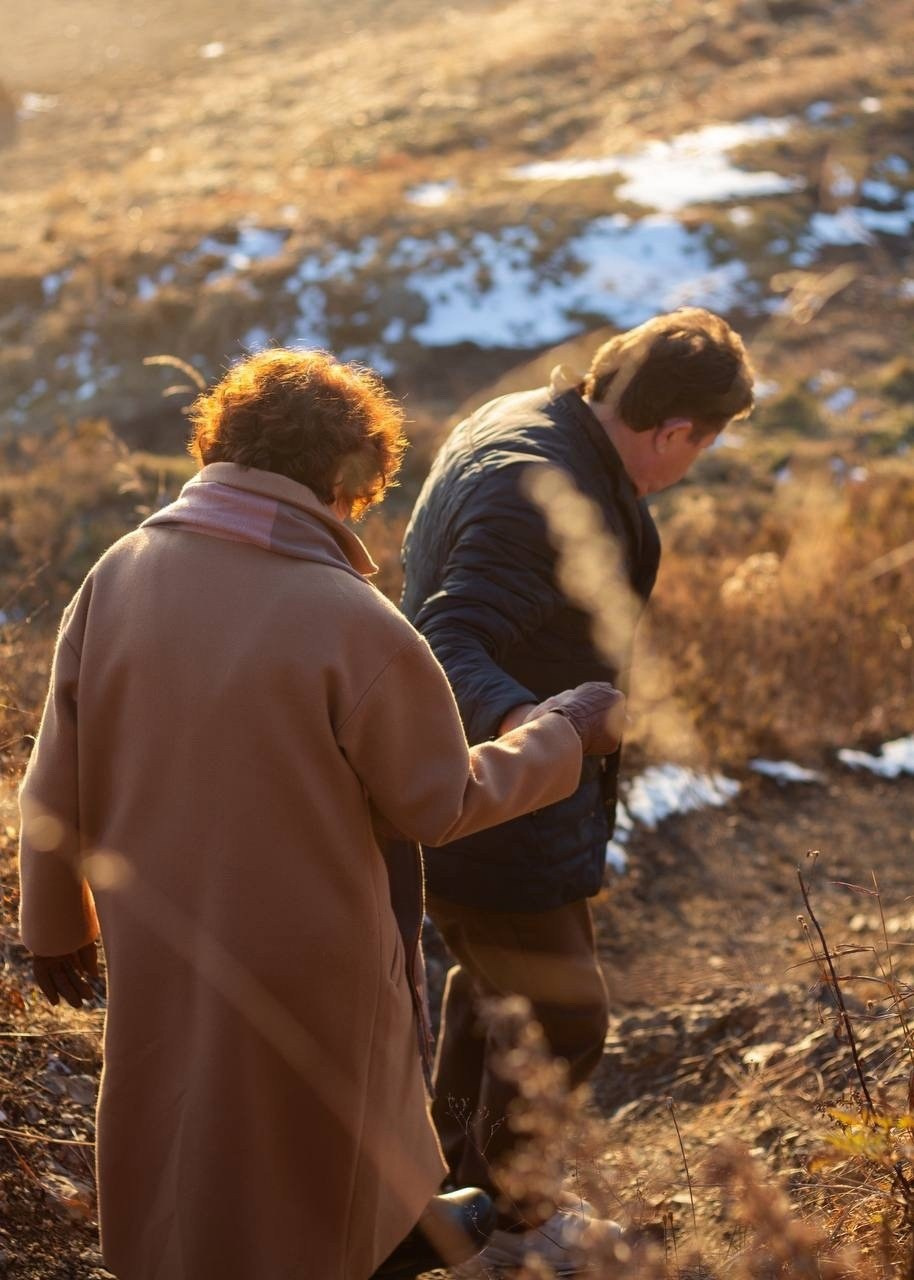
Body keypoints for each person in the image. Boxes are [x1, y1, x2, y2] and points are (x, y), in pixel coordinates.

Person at [17, 348, 627, 1280]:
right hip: (309, 959)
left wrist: (55, 927)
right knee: (314, 1159)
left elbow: (51, 784)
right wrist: (563, 733)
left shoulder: (118, 573)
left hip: (160, 931)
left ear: (220, 444)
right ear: (351, 480)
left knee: (180, 1115)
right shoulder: (353, 621)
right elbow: (441, 801)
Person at [401, 307, 755, 1272]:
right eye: (701, 446)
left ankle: (447, 1196)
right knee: (565, 1017)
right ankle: (509, 1229)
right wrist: (541, 728)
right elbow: (444, 640)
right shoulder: (540, 488)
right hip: (496, 803)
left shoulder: (533, 420)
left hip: (496, 801)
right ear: (675, 432)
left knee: (493, 991)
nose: (693, 464)